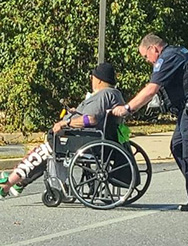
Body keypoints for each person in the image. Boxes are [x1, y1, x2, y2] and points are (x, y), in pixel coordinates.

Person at [111, 34, 188, 212]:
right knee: (178, 146)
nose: (148, 61)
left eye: (146, 56)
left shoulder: (169, 57)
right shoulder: (173, 54)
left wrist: (127, 108)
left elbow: (151, 89)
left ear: (154, 49)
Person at [0, 62, 124, 198]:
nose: (91, 80)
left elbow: (90, 119)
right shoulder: (114, 94)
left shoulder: (102, 95)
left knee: (47, 149)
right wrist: (75, 112)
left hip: (86, 142)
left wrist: (67, 122)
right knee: (47, 150)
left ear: (99, 79)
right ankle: (21, 181)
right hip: (97, 140)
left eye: (92, 77)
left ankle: (8, 183)